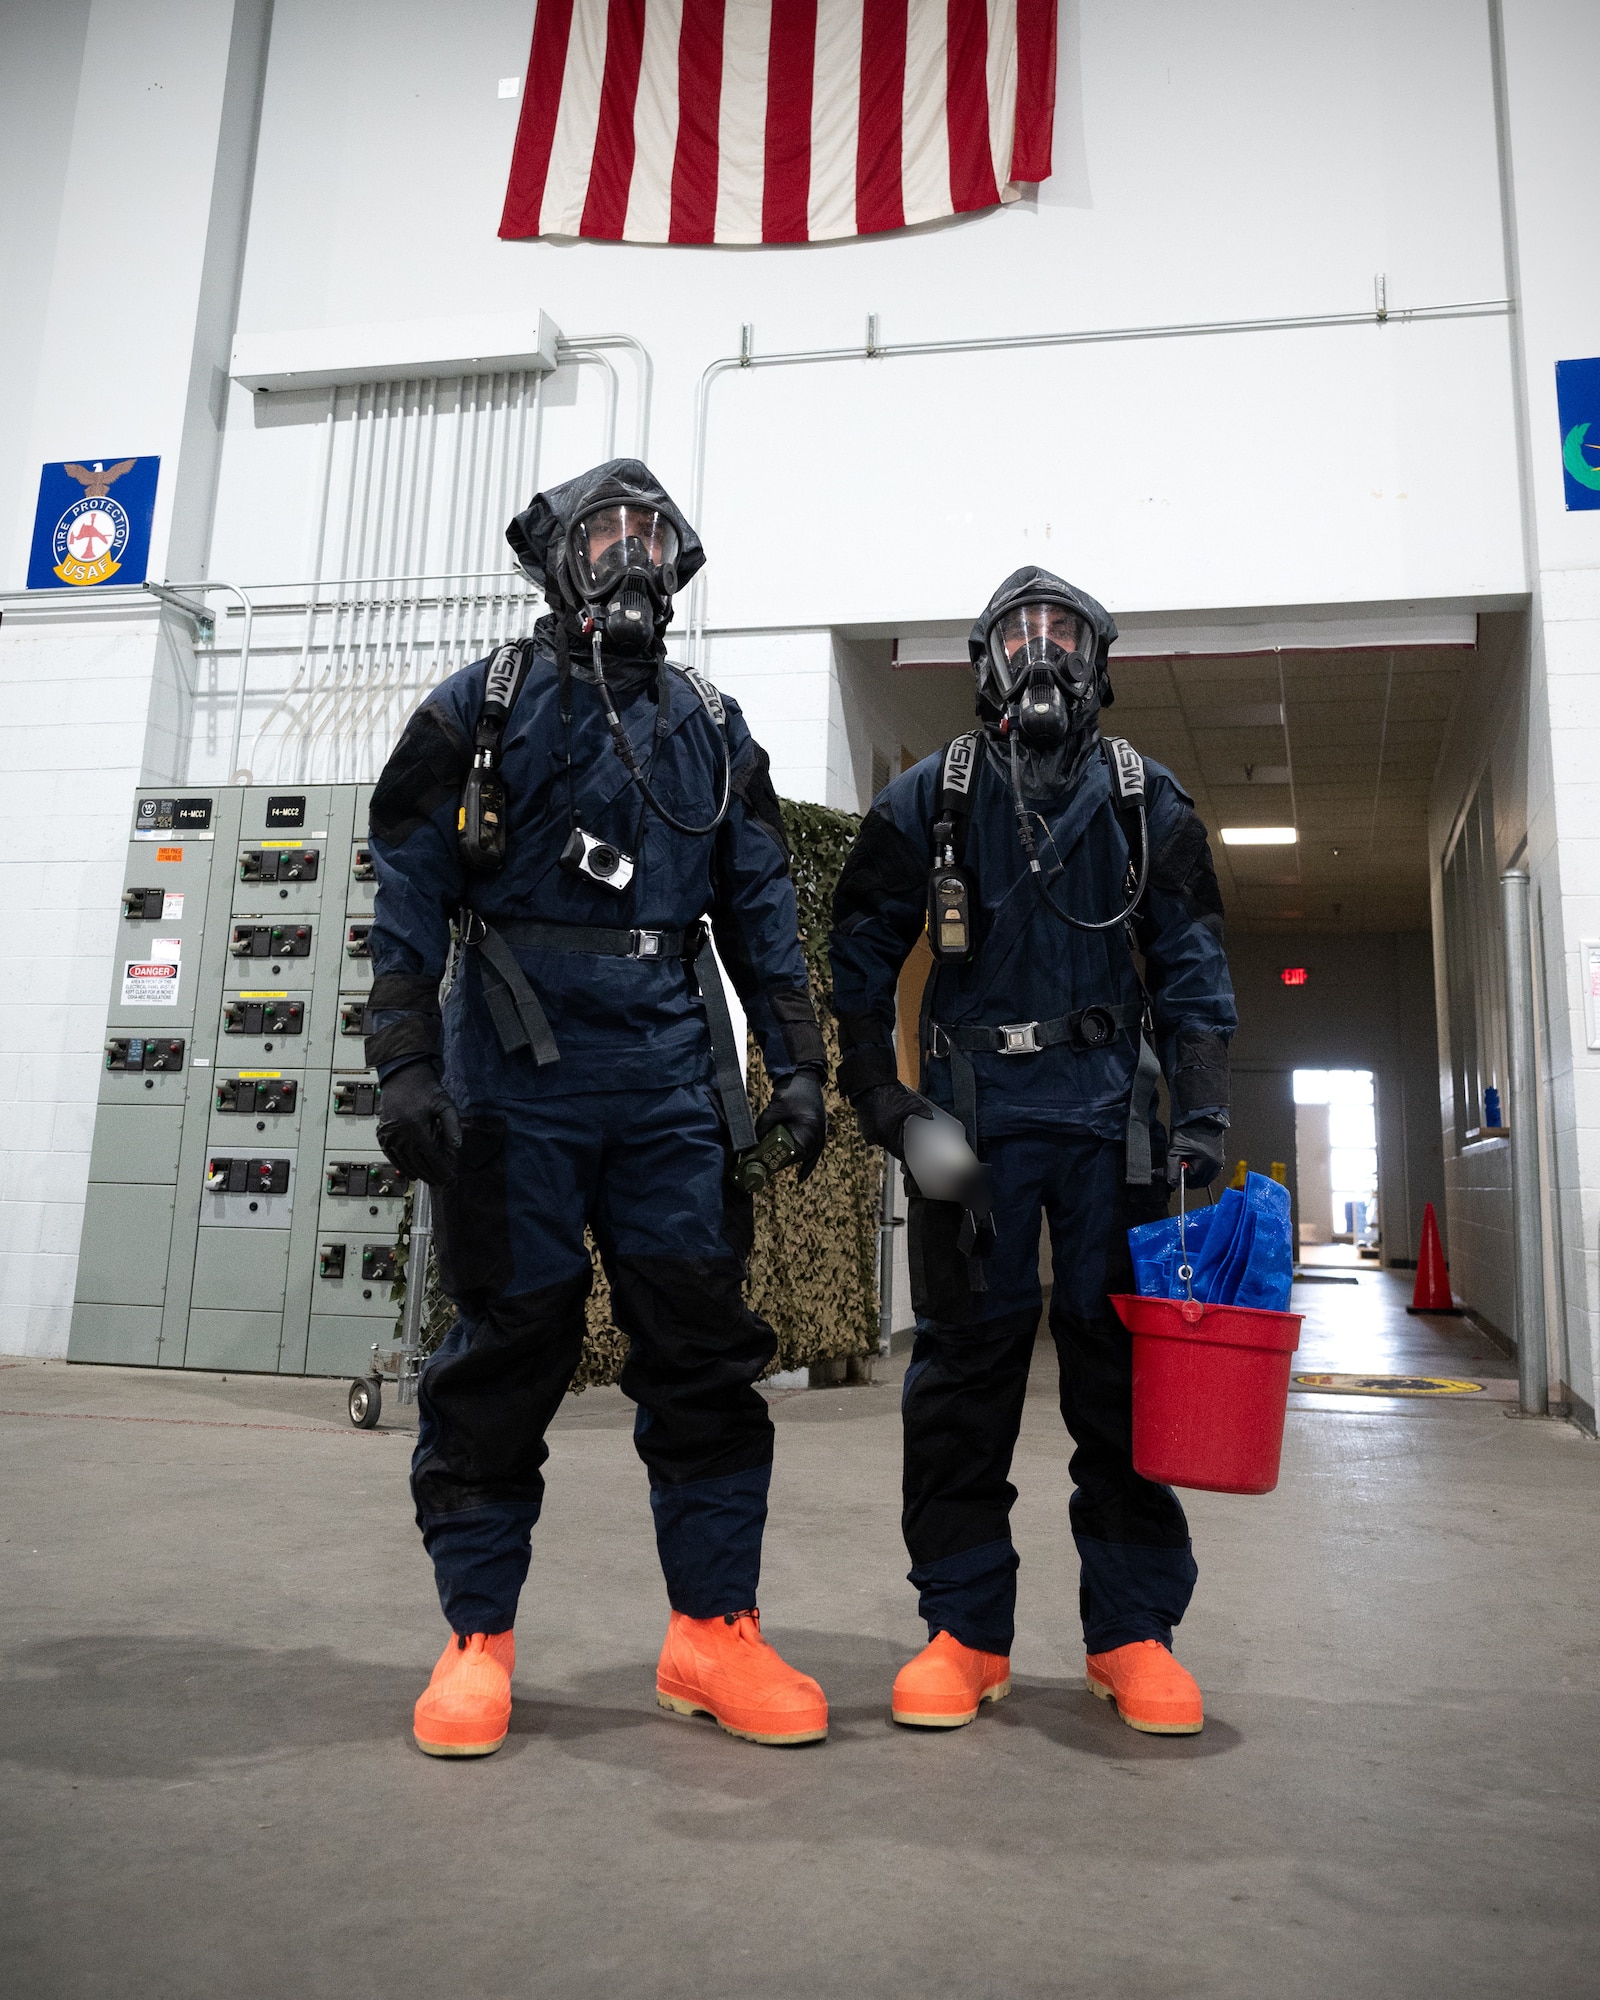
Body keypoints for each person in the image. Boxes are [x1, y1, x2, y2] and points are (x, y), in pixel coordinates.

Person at [367, 459, 830, 1757]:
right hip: (512, 1080)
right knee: (507, 1345)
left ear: (674, 564)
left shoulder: (710, 727)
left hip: (669, 1082)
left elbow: (758, 903)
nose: (627, 554)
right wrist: (405, 1064)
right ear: (554, 559)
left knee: (703, 1349)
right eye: (601, 534)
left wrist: (794, 1063)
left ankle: (713, 1634)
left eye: (648, 535)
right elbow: (405, 898)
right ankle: (477, 1640)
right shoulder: (477, 711)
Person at [828, 566, 1236, 1735]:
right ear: (984, 664)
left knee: (1122, 1383)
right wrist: (882, 1100)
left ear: (1097, 661)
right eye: (1018, 634)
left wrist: (1200, 1116)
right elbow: (856, 952)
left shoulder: (1141, 797)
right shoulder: (929, 800)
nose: (1040, 649)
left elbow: (1194, 963)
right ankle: (964, 1629)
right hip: (970, 1130)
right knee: (961, 1381)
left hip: (1115, 1131)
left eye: (1062, 632)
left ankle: (1130, 1632)